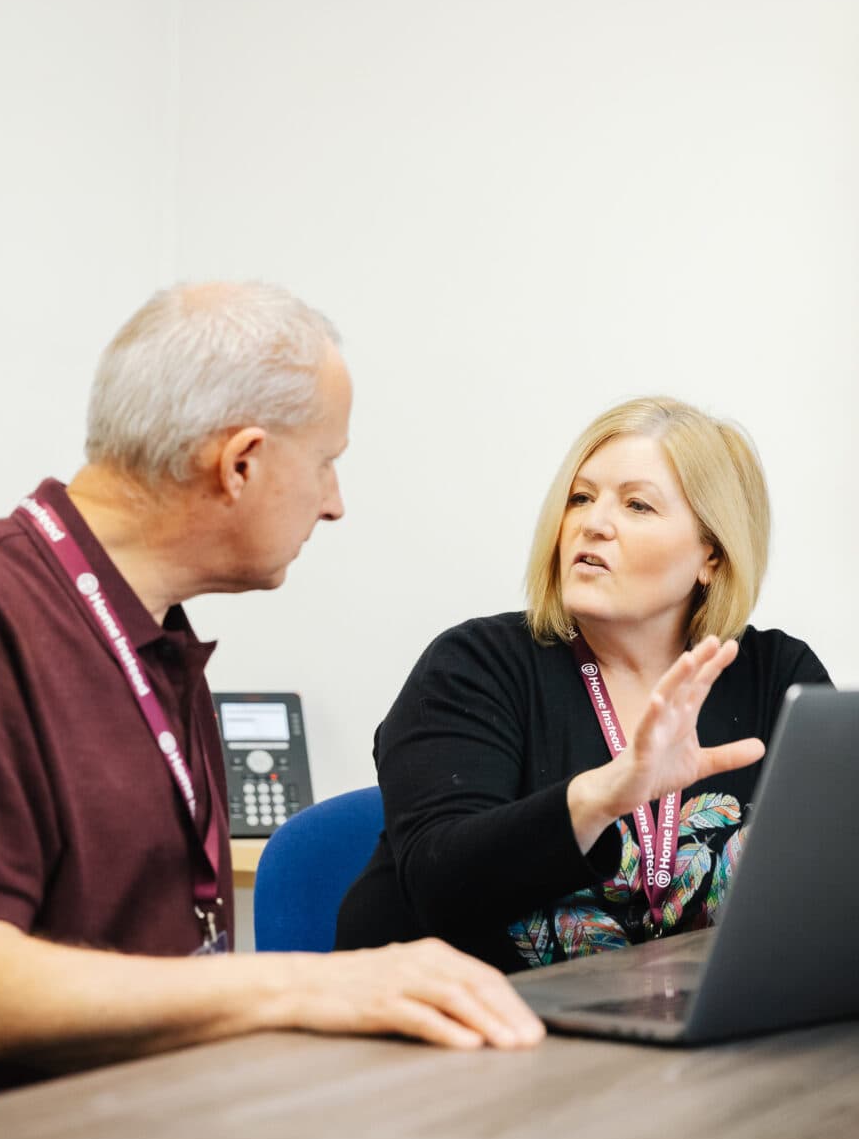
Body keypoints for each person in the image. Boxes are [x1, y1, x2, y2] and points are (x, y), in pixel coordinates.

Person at [0, 282, 544, 1119]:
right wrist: (308, 985)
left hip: (152, 1131)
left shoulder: (146, 634)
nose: (335, 503)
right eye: (327, 460)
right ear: (241, 461)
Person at [336, 396, 831, 971]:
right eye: (581, 498)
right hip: (455, 1035)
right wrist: (606, 794)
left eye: (638, 505)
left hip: (686, 1036)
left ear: (712, 556)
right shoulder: (473, 666)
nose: (593, 523)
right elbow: (439, 886)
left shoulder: (775, 675)